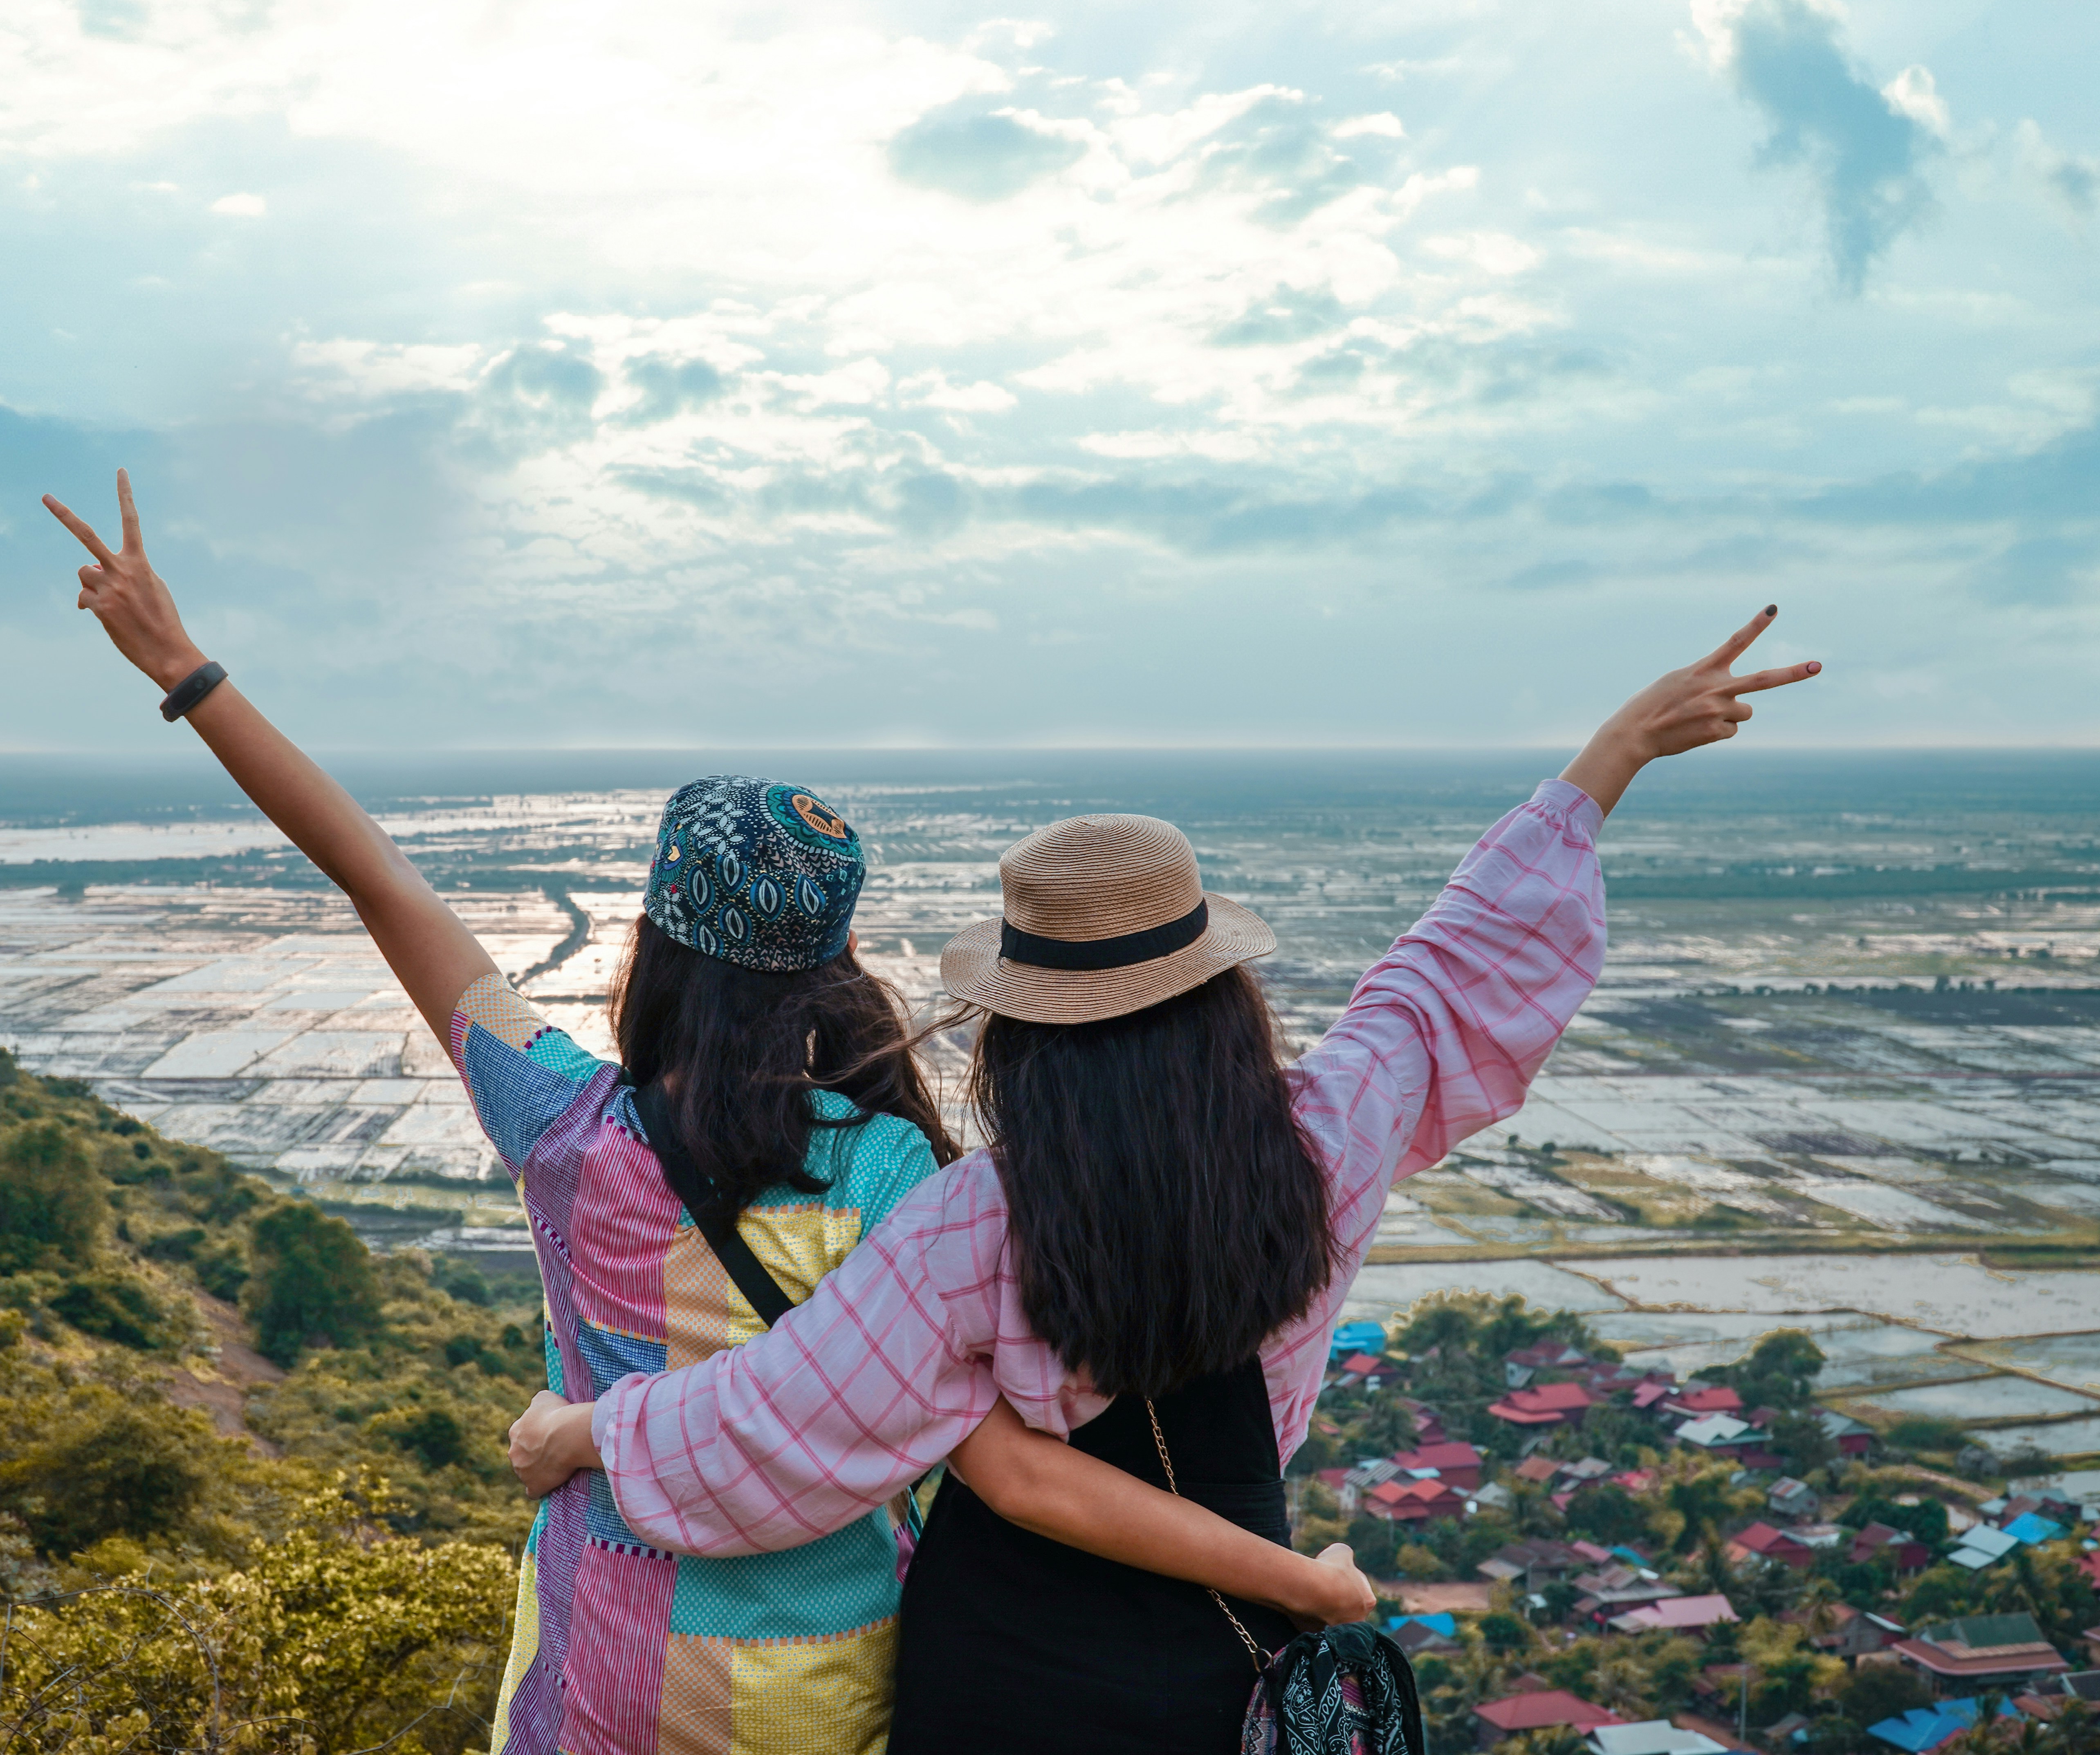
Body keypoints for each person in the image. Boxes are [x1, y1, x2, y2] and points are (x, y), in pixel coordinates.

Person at [42, 472, 1380, 1755]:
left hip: (596, 1671)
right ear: (831, 963)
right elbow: (1008, 1465)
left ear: (658, 938)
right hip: (825, 1682)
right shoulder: (903, 1174)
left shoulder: (566, 1130)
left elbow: (373, 876)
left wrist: (187, 673)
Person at [506, 610, 1824, 1753]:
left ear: (1019, 1025)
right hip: (1224, 1661)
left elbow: (781, 1415)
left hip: (999, 1673)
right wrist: (1607, 763)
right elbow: (1446, 977)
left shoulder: (977, 1223)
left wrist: (590, 1431)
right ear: (1217, 990)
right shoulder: (1323, 1141)